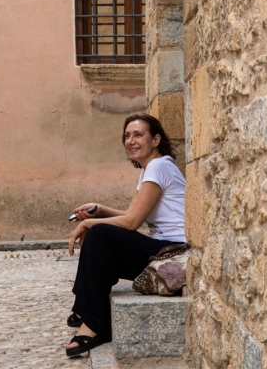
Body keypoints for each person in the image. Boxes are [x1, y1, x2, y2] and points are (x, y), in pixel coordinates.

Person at [63, 113, 186, 357]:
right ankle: (85, 308)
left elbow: (130, 223)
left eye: (138, 134)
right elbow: (133, 215)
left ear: (155, 140)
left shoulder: (158, 166)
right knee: (99, 227)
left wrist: (90, 225)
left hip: (173, 252)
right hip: (162, 246)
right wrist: (101, 210)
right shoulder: (153, 168)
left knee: (99, 233)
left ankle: (95, 325)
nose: (131, 140)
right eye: (127, 135)